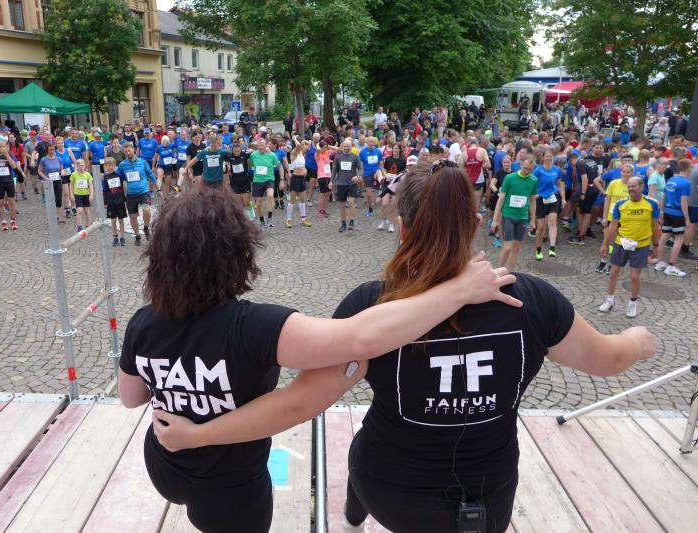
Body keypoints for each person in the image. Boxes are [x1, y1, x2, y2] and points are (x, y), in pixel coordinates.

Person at [150, 161, 655, 533]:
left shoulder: (372, 305)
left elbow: (302, 402)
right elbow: (610, 359)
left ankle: (352, 516)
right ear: (476, 223)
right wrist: (637, 340)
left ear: (403, 226)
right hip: (491, 493)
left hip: (387, 487)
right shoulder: (533, 299)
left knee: (361, 463)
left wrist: (200, 435)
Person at [118, 186, 524, 533]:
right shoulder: (255, 326)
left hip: (165, 463)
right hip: (231, 483)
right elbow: (359, 338)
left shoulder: (142, 323)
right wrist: (459, 290)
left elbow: (131, 397)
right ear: (238, 254)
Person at [599, 177, 658, 317]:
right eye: (629, 186)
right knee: (614, 272)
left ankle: (632, 303)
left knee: (634, 277)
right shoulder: (620, 204)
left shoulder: (652, 204)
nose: (631, 189)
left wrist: (656, 245)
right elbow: (613, 226)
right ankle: (609, 300)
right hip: (621, 243)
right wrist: (605, 244)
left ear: (642, 187)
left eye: (634, 186)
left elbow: (655, 226)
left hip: (641, 245)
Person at [491, 154, 538, 270]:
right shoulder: (510, 178)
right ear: (521, 164)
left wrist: (533, 220)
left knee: (516, 247)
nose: (527, 171)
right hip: (508, 215)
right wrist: (495, 220)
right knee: (507, 247)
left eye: (530, 169)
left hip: (522, 217)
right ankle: (499, 271)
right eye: (525, 168)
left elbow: (532, 200)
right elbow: (501, 199)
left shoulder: (534, 180)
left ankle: (510, 272)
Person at [653, 159, 692, 277]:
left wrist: (661, 212)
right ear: (688, 168)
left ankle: (660, 262)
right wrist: (687, 219)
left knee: (664, 237)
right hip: (678, 213)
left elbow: (663, 197)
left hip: (667, 211)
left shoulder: (670, 179)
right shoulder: (686, 183)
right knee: (679, 239)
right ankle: (671, 266)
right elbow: (684, 202)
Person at [116, 143, 157, 246]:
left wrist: (157, 186)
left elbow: (150, 174)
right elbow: (116, 175)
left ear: (133, 150)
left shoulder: (142, 162)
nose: (127, 153)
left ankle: (146, 228)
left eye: (129, 151)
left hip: (143, 192)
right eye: (125, 152)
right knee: (133, 217)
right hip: (131, 194)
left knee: (146, 209)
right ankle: (137, 235)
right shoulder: (122, 165)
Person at [532, 150, 565, 260]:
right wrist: (534, 194)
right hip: (540, 199)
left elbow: (559, 184)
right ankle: (538, 249)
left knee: (552, 221)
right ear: (543, 158)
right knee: (541, 227)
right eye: (547, 156)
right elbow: (532, 183)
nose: (549, 158)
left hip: (553, 198)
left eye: (551, 156)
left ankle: (552, 248)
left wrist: (563, 198)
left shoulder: (557, 169)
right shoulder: (538, 170)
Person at [0, 140, 25, 231]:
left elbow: (14, 166)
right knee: (1, 203)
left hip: (9, 181)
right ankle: (3, 222)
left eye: (3, 146)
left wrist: (7, 155)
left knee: (12, 201)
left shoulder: (9, 155)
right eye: (0, 146)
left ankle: (13, 221)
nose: (2, 148)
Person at [332, 139, 363, 232]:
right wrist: (331, 181)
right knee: (342, 205)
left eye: (348, 146)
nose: (346, 148)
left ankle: (352, 222)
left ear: (351, 146)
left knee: (351, 202)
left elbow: (361, 169)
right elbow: (335, 170)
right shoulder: (338, 157)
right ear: (342, 147)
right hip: (341, 183)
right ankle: (343, 223)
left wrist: (357, 176)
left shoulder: (355, 157)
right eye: (345, 146)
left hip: (351, 184)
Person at [249, 138, 280, 230]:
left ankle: (269, 218)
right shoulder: (253, 154)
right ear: (256, 146)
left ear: (266, 145)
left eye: (262, 145)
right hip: (257, 181)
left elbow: (280, 166)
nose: (260, 147)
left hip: (269, 179)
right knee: (258, 203)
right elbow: (251, 164)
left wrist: (282, 179)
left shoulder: (272, 155)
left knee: (270, 196)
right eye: (259, 145)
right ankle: (262, 221)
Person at [286, 137, 312, 228]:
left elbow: (309, 144)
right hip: (295, 178)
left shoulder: (301, 153)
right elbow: (298, 146)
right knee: (292, 200)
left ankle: (303, 219)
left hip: (302, 179)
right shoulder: (293, 152)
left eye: (303, 145)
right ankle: (288, 220)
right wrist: (294, 138)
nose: (303, 146)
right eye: (301, 144)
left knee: (302, 199)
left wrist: (305, 141)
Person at [38, 141, 65, 224]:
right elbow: (39, 171)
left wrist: (62, 172)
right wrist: (46, 178)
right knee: (50, 200)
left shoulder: (59, 159)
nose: (51, 151)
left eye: (53, 150)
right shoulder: (44, 160)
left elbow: (61, 169)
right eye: (50, 150)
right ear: (47, 150)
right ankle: (52, 216)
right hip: (49, 182)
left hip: (58, 181)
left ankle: (59, 216)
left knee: (59, 199)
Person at [102, 157, 127, 247]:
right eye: (109, 165)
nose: (111, 167)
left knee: (121, 220)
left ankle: (122, 237)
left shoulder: (119, 174)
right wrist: (105, 202)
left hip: (120, 200)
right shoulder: (105, 177)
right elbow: (105, 190)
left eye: (112, 165)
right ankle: (115, 237)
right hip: (111, 202)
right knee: (113, 220)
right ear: (105, 166)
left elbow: (125, 181)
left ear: (115, 165)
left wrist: (125, 196)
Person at [70, 159, 94, 231]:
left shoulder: (88, 174)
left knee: (87, 210)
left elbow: (91, 185)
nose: (81, 167)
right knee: (79, 211)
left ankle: (88, 225)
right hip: (78, 195)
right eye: (79, 166)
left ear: (85, 166)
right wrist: (71, 195)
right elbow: (71, 185)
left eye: (82, 165)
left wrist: (91, 194)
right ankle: (79, 226)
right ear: (77, 166)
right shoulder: (74, 174)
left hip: (86, 194)